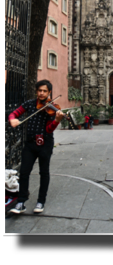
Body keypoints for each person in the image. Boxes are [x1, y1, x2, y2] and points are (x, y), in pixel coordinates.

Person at [8, 79, 64, 214]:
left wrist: (57, 121)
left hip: (45, 143)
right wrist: (12, 120)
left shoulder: (52, 108)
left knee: (44, 173)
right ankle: (21, 202)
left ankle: (41, 201)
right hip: (30, 143)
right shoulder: (30, 104)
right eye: (39, 90)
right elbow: (14, 113)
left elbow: (49, 129)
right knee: (24, 172)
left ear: (49, 92)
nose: (42, 93)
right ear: (36, 91)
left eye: (45, 91)